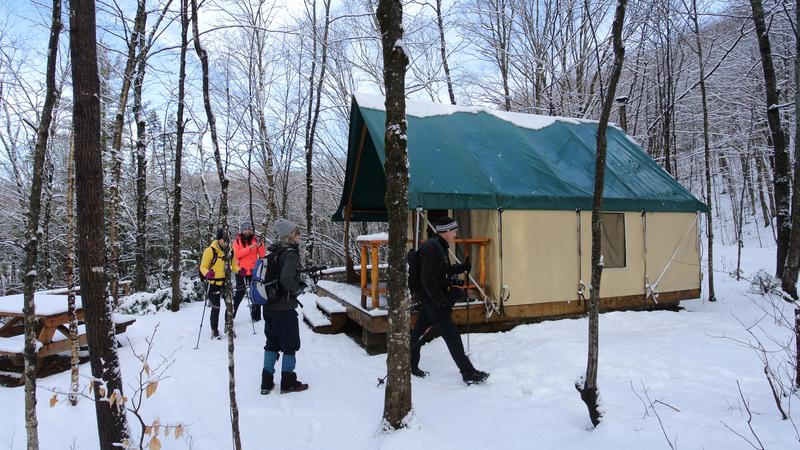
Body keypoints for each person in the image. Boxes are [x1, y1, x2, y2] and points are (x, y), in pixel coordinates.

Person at [410, 216, 489, 385]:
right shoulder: (433, 249)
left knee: (417, 334)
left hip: (430, 300)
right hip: (434, 301)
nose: (455, 234)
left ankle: (410, 365)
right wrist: (442, 302)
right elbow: (428, 280)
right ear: (445, 231)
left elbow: (442, 271)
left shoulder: (438, 246)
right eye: (454, 231)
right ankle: (468, 373)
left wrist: (461, 268)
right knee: (451, 334)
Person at [260, 218, 309, 394]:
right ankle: (288, 383)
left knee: (271, 343)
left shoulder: (273, 252)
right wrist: (297, 289)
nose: (299, 236)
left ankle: (266, 383)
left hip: (269, 305)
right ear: (290, 236)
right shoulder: (290, 253)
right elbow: (286, 279)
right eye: (297, 233)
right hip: (284, 307)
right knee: (290, 344)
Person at [200, 228, 233, 339]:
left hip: (226, 283)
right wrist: (207, 273)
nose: (226, 242)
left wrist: (240, 270)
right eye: (224, 240)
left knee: (229, 306)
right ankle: (214, 330)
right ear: (219, 239)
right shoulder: (210, 251)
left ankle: (228, 327)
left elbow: (235, 265)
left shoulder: (230, 251)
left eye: (228, 240)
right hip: (213, 283)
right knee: (216, 307)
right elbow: (203, 267)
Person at [232, 221, 265, 322]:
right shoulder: (237, 241)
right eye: (245, 229)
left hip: (253, 271)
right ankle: (231, 315)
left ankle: (256, 316)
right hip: (241, 271)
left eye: (249, 229)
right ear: (242, 231)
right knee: (240, 293)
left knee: (255, 293)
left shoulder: (256, 239)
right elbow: (237, 255)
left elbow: (262, 255)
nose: (247, 231)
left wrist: (260, 244)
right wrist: (249, 248)